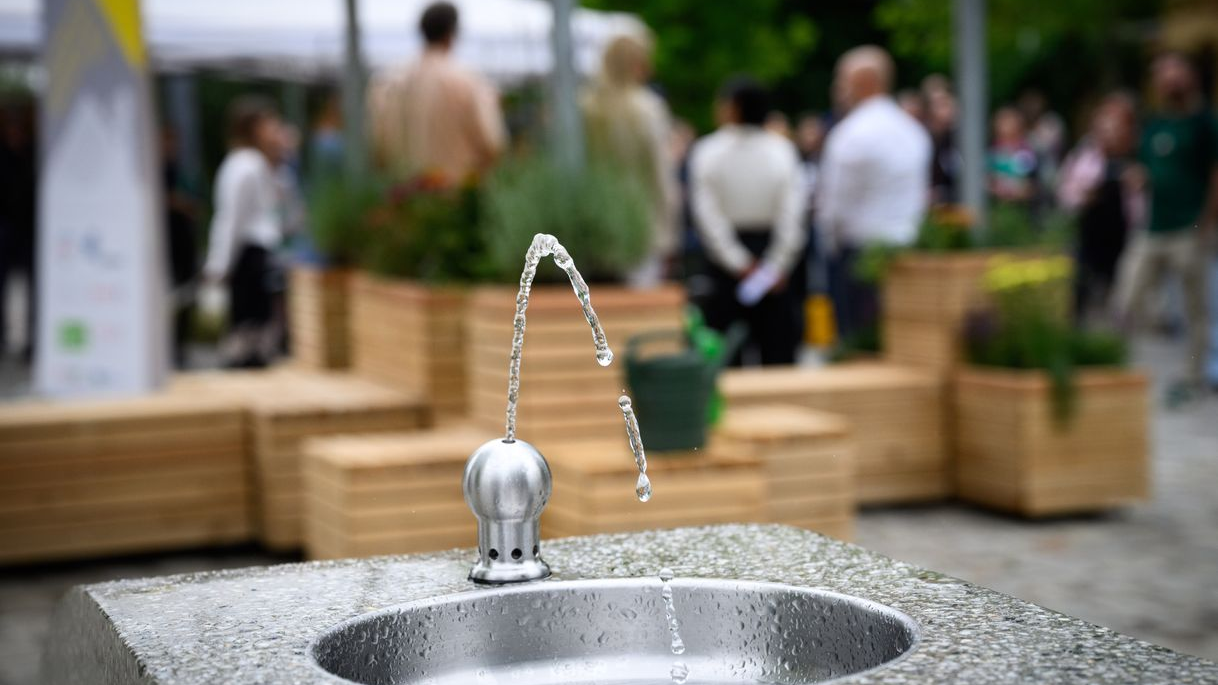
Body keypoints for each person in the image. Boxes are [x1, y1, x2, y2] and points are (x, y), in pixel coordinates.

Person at [1113, 52, 1218, 401]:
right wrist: (1138, 178)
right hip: (1152, 227)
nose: (1166, 80)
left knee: (1193, 309)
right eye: (1161, 74)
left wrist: (1207, 219)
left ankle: (1192, 377)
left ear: (1189, 77)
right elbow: (1145, 167)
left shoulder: (1204, 122)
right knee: (1127, 295)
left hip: (1189, 228)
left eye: (1173, 73)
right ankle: (1116, 369)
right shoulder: (1156, 124)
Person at [689, 76, 807, 365]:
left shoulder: (708, 151)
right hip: (771, 260)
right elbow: (794, 214)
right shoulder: (783, 150)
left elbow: (708, 216)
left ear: (733, 108)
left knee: (726, 358)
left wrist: (739, 264)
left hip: (726, 266)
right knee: (778, 354)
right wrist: (777, 265)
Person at [817, 46, 931, 342]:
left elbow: (835, 206)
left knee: (861, 346)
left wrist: (830, 245)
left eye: (842, 80)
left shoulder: (851, 134)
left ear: (864, 82)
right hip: (910, 251)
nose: (837, 90)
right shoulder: (912, 131)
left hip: (860, 256)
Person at [369, 1, 506, 185]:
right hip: (454, 195)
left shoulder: (387, 83)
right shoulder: (466, 81)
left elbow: (377, 147)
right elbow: (492, 144)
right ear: (452, 34)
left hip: (402, 195)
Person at [581, 32, 676, 286]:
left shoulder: (585, 107)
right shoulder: (648, 109)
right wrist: (669, 234)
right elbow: (661, 176)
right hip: (641, 222)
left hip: (593, 221)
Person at [203, 96, 287, 368]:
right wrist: (219, 264)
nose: (275, 129)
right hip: (247, 256)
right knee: (248, 335)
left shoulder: (252, 163)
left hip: (253, 256)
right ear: (251, 127)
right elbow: (231, 218)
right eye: (268, 123)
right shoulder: (245, 164)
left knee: (254, 334)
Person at [1057, 93, 1142, 323]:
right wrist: (1085, 195)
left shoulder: (1135, 155)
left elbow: (1142, 202)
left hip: (1124, 236)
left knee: (1121, 298)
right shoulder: (1085, 155)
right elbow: (1066, 193)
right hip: (1091, 232)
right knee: (1083, 288)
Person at [0, 103, 37, 364]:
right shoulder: (2, 155)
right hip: (4, 226)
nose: (15, 133)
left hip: (27, 228)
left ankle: (32, 341)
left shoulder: (32, 154)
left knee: (33, 286)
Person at [988, 107, 1040, 207]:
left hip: (1021, 207)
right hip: (995, 205)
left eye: (1007, 121)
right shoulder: (991, 149)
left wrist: (1021, 192)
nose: (1002, 124)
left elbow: (1033, 183)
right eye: (1001, 120)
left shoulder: (1026, 151)